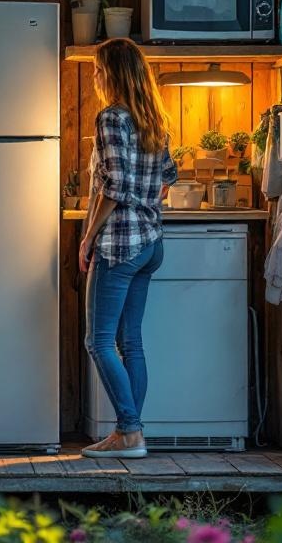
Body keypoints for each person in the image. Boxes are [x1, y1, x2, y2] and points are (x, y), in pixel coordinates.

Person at [79, 38, 177, 459]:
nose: (97, 77)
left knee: (98, 341)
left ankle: (130, 432)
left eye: (99, 70)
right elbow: (169, 176)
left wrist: (87, 238)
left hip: (120, 243)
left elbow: (114, 187)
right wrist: (145, 198)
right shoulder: (153, 118)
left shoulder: (111, 118)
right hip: (150, 242)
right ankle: (130, 433)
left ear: (113, 73)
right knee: (130, 342)